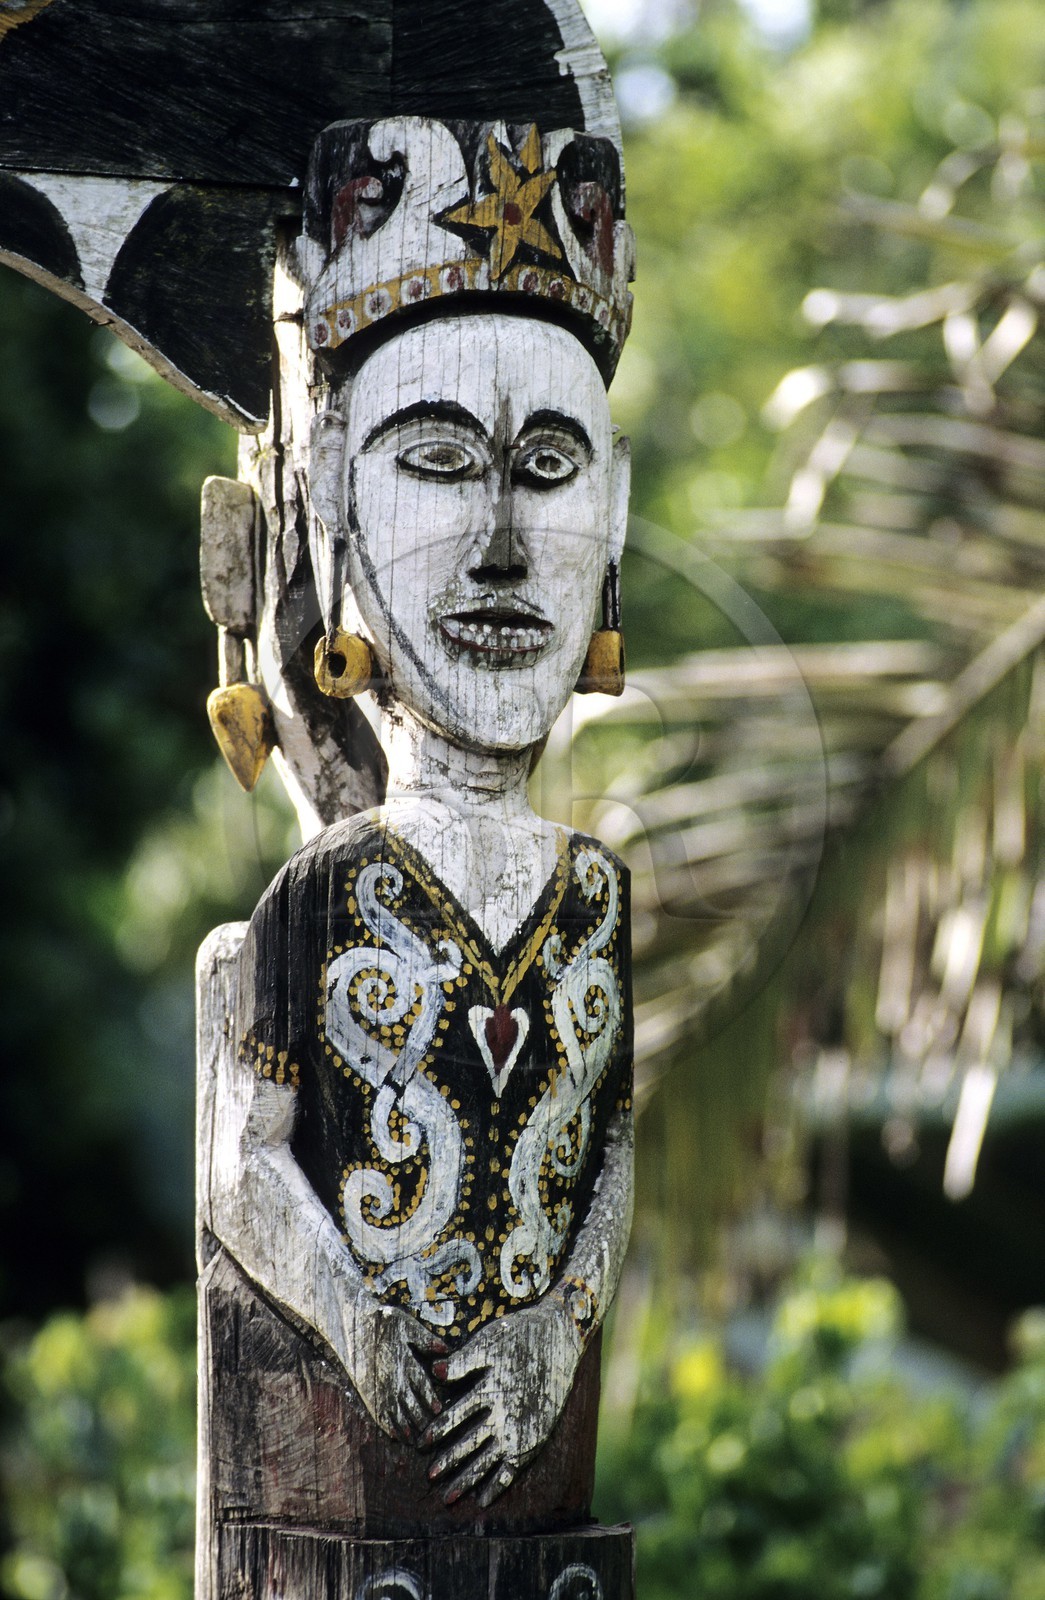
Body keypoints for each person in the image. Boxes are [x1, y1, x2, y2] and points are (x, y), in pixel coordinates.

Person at [206, 114, 635, 1539]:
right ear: (330, 509)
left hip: (545, 1487)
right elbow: (242, 1164)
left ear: (616, 520)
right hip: (337, 1486)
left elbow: (610, 1146)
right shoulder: (324, 889)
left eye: (552, 470)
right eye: (441, 462)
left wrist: (558, 1330)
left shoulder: (596, 891)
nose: (505, 552)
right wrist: (358, 1322)